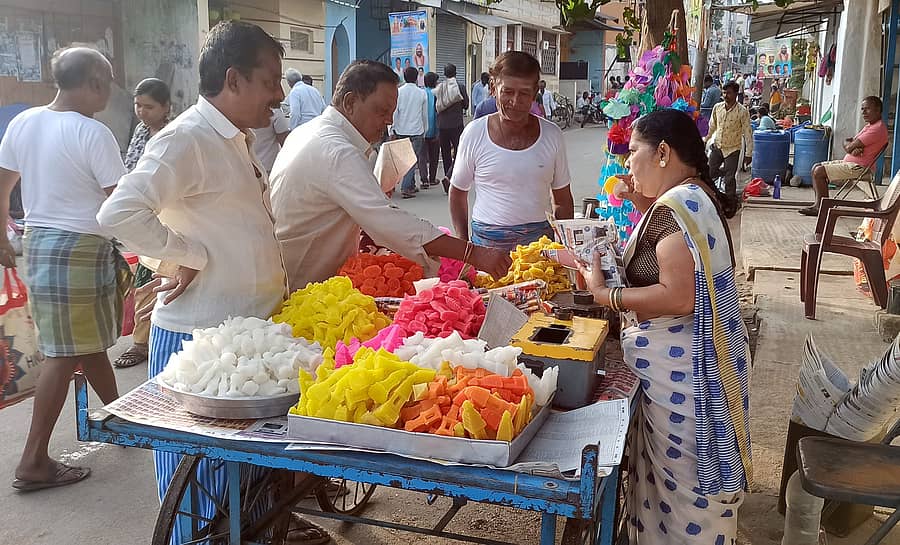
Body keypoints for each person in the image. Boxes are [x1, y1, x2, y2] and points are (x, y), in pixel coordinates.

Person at [97, 21, 330, 545]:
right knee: (201, 503)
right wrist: (184, 255)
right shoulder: (186, 138)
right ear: (234, 79)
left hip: (250, 344)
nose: (279, 93)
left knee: (245, 493)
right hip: (204, 348)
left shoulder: (234, 137)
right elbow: (118, 213)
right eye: (271, 80)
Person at [579, 109, 751, 544]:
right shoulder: (690, 197)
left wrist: (606, 296)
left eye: (632, 151)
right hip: (689, 370)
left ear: (662, 153)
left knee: (683, 495)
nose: (626, 164)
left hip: (684, 379)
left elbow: (677, 296)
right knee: (675, 495)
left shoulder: (680, 206)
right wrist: (641, 204)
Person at [0, 47, 128, 491]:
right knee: (63, 351)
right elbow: (120, 202)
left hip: (38, 244)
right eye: (108, 81)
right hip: (77, 248)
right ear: (94, 80)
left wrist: (2, 236)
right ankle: (33, 459)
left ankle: (122, 417)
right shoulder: (92, 133)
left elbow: (4, 184)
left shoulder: (24, 122)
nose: (110, 91)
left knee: (82, 342)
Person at [269, 60, 511, 291]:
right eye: (382, 111)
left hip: (297, 274)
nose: (389, 121)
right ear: (350, 102)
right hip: (305, 283)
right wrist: (474, 253)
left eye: (392, 112)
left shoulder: (310, 132)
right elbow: (389, 222)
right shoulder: (335, 149)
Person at [449, 51, 574, 251]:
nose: (515, 101)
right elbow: (457, 193)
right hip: (486, 245)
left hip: (539, 246)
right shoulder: (474, 133)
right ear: (493, 88)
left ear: (535, 94)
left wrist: (565, 249)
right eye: (507, 92)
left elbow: (563, 200)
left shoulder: (553, 135)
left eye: (524, 93)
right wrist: (466, 249)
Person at [115, 77, 172, 370]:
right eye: (138, 105)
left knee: (157, 282)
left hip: (165, 219)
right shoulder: (140, 130)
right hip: (142, 214)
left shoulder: (172, 135)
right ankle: (141, 339)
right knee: (142, 282)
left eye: (148, 106)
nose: (141, 111)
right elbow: (131, 166)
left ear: (166, 108)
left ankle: (144, 341)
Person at [800, 96, 889, 216]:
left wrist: (850, 147)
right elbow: (848, 142)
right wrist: (851, 147)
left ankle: (822, 208)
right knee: (816, 167)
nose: (863, 112)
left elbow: (848, 146)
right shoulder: (870, 126)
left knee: (819, 171)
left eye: (867, 109)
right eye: (862, 109)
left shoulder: (877, 129)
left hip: (859, 168)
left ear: (878, 110)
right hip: (851, 164)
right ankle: (819, 205)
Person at [706, 81, 753, 203]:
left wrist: (749, 154)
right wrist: (706, 140)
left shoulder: (742, 111)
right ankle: (710, 197)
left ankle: (730, 202)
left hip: (732, 149)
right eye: (724, 92)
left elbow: (748, 133)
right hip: (717, 146)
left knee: (730, 179)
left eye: (729, 93)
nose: (726, 95)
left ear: (736, 94)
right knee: (709, 173)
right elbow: (712, 126)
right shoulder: (717, 108)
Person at [392, 66, 428, 198]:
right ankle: (406, 187)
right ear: (417, 78)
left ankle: (411, 184)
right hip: (417, 130)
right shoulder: (421, 93)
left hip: (401, 129)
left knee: (406, 159)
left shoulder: (399, 92)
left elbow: (395, 111)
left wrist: (392, 128)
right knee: (412, 159)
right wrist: (426, 128)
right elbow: (424, 114)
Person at [435, 63, 469, 194]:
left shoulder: (440, 87)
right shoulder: (460, 87)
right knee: (460, 151)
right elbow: (466, 105)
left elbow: (436, 107)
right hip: (456, 124)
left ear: (444, 73)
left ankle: (447, 176)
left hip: (442, 125)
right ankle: (450, 177)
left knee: (445, 153)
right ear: (455, 73)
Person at [253, 107, 291, 174]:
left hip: (245, 166)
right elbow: (286, 143)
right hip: (268, 165)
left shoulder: (237, 109)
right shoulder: (274, 111)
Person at [419, 71, 441, 188]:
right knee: (434, 156)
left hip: (422, 130)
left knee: (422, 156)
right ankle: (432, 178)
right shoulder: (437, 94)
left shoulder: (421, 93)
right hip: (435, 129)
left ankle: (424, 179)